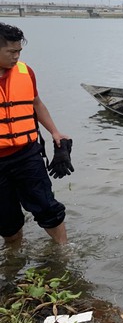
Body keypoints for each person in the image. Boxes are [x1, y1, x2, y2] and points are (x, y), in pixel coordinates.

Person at [0, 22, 73, 245]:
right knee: (6, 220)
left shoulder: (25, 72)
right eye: (11, 52)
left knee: (47, 205)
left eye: (19, 51)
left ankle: (63, 251)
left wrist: (54, 132)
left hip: (27, 154)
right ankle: (14, 258)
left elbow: (36, 104)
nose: (16, 57)